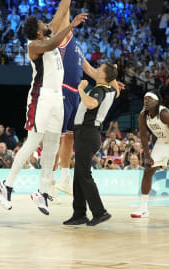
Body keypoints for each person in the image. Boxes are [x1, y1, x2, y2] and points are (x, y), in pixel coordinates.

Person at [0, 12, 88, 215]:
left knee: (53, 145)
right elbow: (52, 44)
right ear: (38, 31)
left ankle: (42, 192)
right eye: (43, 23)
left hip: (57, 98)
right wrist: (71, 24)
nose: (47, 24)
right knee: (33, 141)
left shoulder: (48, 35)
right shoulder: (34, 45)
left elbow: (62, 10)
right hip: (41, 97)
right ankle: (7, 185)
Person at [52, 0, 124, 196]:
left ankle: (63, 179)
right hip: (62, 91)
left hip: (75, 95)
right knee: (59, 137)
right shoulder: (63, 38)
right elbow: (64, 9)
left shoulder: (78, 48)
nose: (68, 20)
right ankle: (48, 180)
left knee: (69, 137)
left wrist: (112, 82)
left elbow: (94, 74)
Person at [63, 68, 117, 227]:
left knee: (84, 174)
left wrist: (81, 89)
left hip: (87, 132)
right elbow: (113, 68)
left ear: (104, 76)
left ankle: (100, 212)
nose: (96, 70)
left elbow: (92, 104)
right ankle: (79, 214)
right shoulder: (113, 89)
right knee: (79, 174)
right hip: (88, 133)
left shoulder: (99, 89)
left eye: (99, 69)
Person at [131, 92, 169, 219]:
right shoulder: (143, 115)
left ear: (157, 102)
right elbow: (143, 135)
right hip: (161, 141)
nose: (146, 101)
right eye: (144, 99)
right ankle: (143, 208)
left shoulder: (164, 113)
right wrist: (147, 156)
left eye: (149, 99)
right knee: (148, 170)